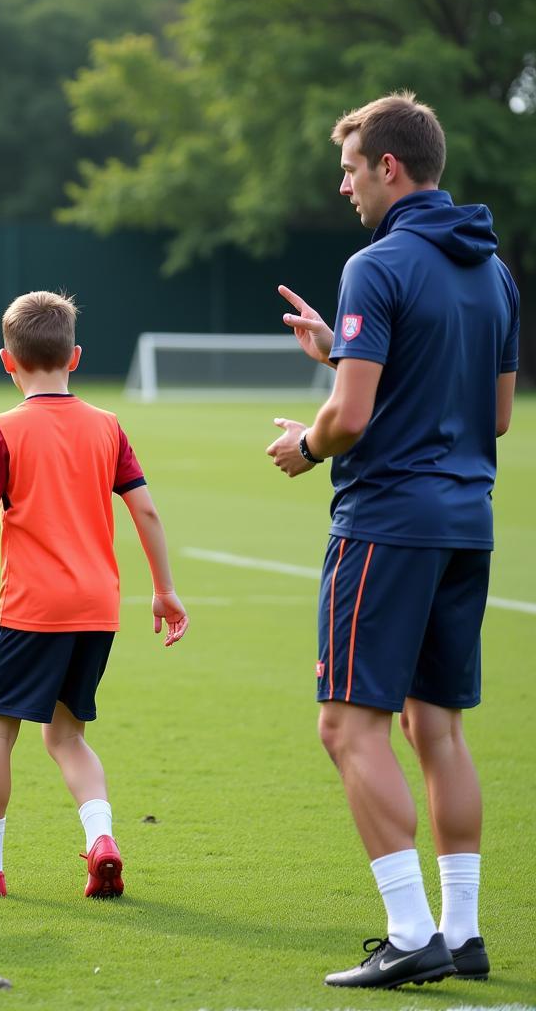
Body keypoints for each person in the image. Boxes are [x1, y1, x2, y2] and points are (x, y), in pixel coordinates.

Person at [266, 93, 518, 987]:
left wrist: (305, 442)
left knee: (347, 726)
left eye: (349, 169)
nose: (343, 187)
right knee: (435, 726)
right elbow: (493, 415)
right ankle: (463, 930)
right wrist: (344, 348)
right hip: (466, 523)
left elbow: (351, 418)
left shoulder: (376, 264)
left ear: (389, 168)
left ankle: (412, 935)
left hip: (386, 524)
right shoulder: (492, 270)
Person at [0, 290, 189, 899]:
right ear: (75, 356)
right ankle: (101, 838)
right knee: (67, 734)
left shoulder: (2, 430)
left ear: (6, 361)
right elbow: (146, 511)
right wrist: (164, 590)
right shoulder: (107, 426)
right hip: (98, 608)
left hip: (32, 608)